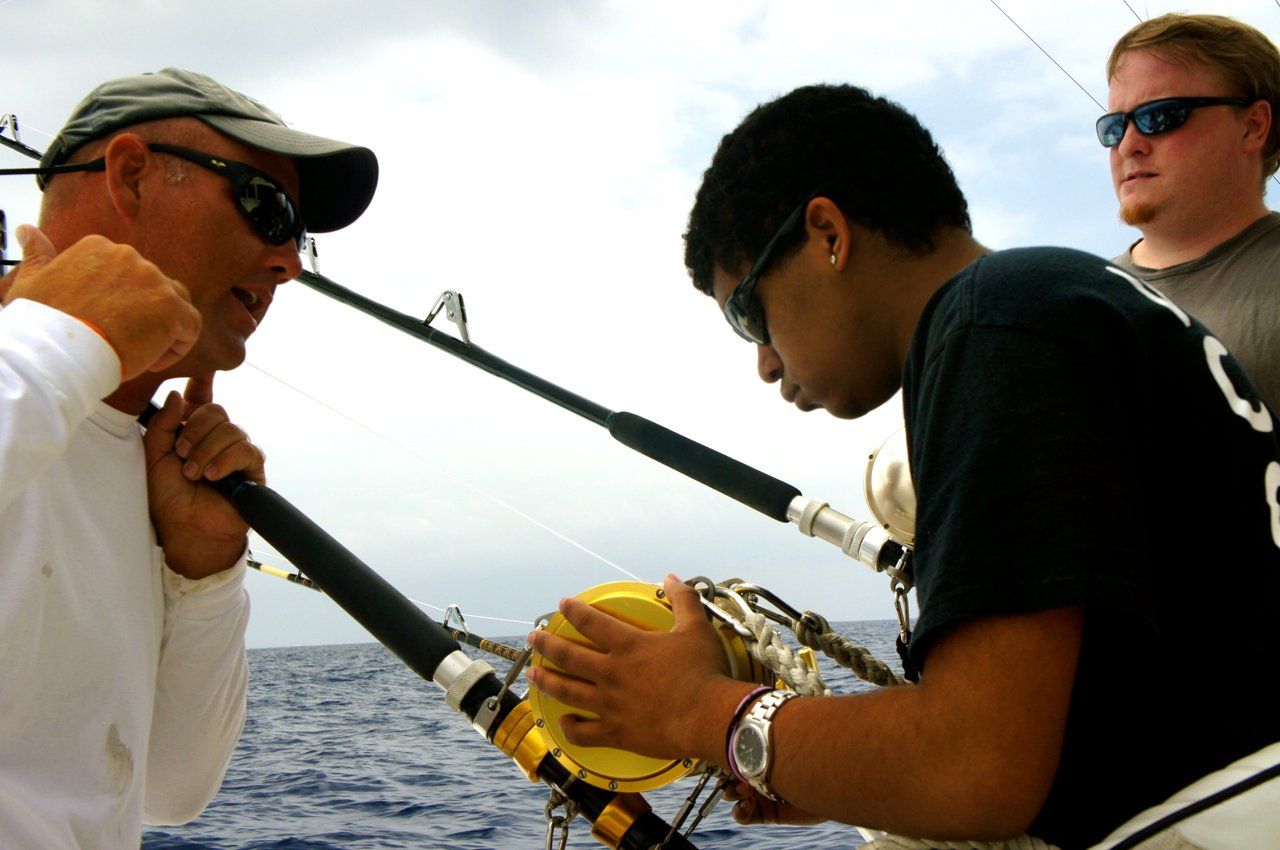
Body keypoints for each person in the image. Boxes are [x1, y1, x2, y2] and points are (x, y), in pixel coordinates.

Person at [524, 83, 1280, 849]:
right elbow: (1074, 723)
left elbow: (975, 770)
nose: (762, 361)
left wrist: (694, 708)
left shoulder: (998, 325)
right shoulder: (1056, 301)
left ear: (827, 234)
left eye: (748, 312)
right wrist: (830, 764)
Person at [0, 68, 377, 848]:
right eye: (267, 208)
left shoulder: (139, 461)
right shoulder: (29, 368)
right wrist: (60, 343)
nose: (289, 263)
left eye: (296, 235)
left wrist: (203, 574)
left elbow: (169, 788)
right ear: (131, 175)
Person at [1102, 13, 1280, 411]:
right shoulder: (1080, 301)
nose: (1129, 144)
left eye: (1160, 115)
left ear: (1253, 126)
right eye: (1115, 126)